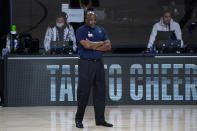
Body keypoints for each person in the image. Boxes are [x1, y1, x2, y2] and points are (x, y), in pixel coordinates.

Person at [75, 11, 113, 128]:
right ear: (86, 19)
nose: (92, 21)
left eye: (94, 19)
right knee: (84, 92)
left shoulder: (101, 30)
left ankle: (100, 120)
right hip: (86, 64)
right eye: (89, 19)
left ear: (96, 20)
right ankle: (79, 120)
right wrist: (100, 44)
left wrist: (93, 45)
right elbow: (86, 46)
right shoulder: (81, 30)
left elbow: (109, 47)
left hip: (98, 64)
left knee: (100, 92)